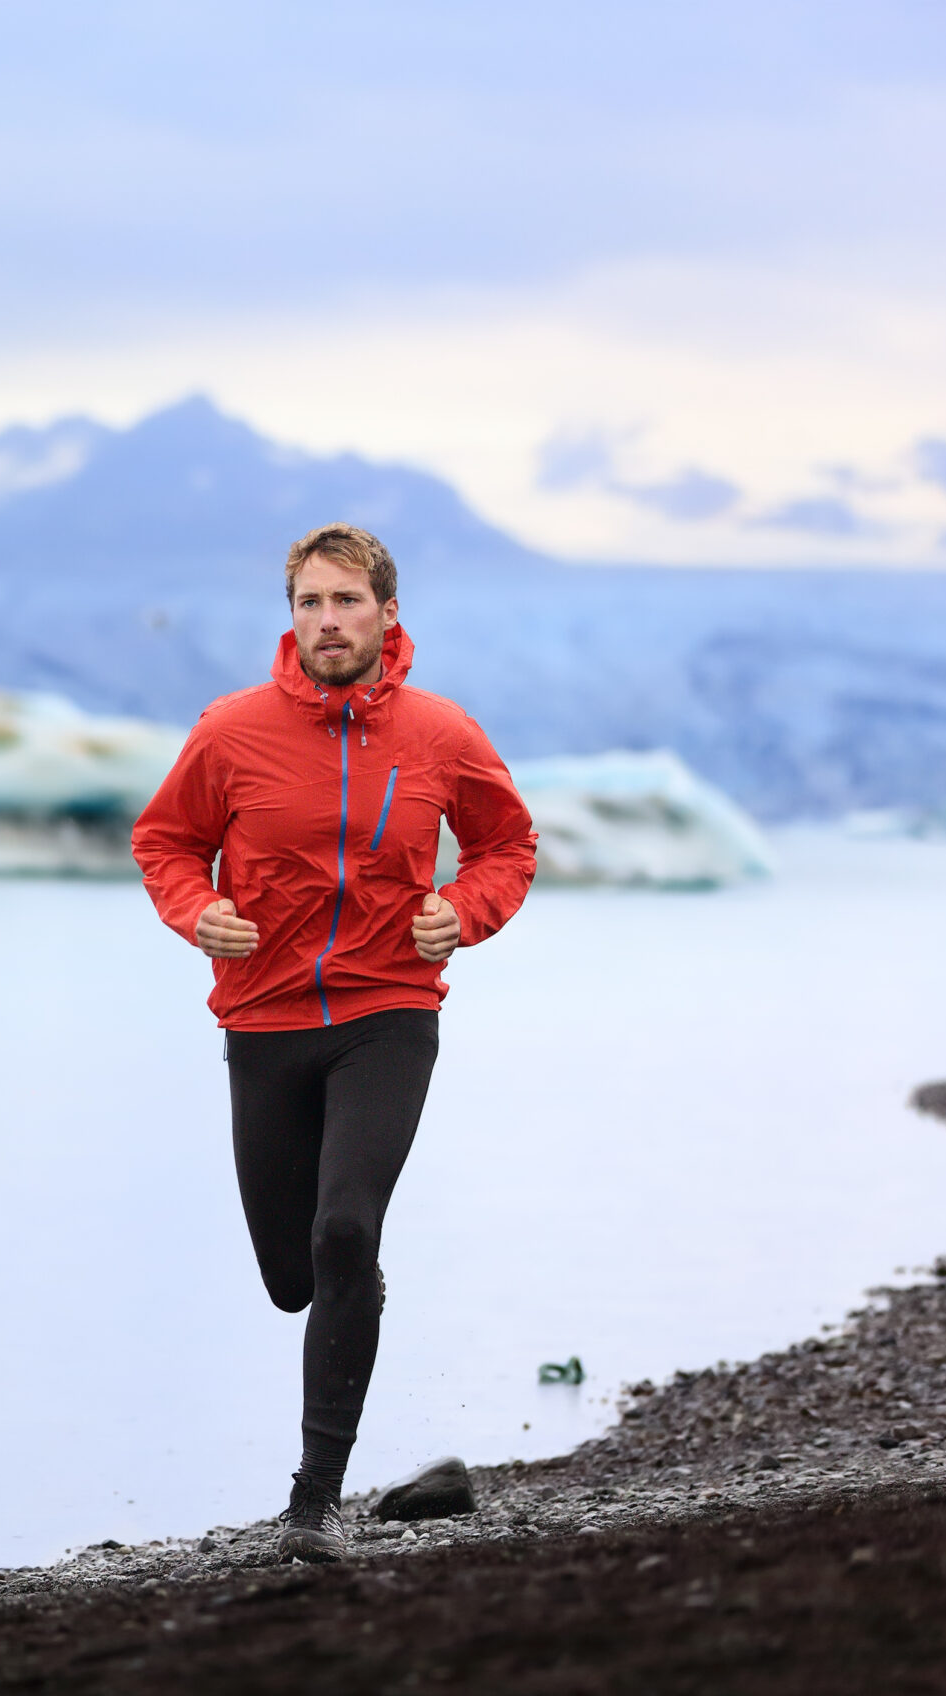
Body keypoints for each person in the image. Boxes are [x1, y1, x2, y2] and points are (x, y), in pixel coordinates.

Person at [130, 523, 537, 1564]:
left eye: (345, 602)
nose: (326, 622)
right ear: (291, 615)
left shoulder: (441, 733)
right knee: (290, 1274)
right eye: (309, 603)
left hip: (387, 1012)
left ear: (385, 613)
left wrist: (464, 908)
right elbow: (165, 839)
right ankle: (334, 1338)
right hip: (262, 1020)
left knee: (344, 1232)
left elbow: (506, 842)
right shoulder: (231, 732)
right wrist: (194, 909)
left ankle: (313, 1504)